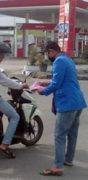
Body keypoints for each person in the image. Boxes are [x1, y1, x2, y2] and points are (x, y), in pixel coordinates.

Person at [38, 41, 86, 176]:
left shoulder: (58, 61)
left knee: (59, 135)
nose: (48, 56)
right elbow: (63, 80)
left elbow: (56, 83)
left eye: (48, 53)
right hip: (77, 102)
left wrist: (43, 91)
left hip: (67, 103)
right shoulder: (67, 59)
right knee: (72, 133)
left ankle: (57, 166)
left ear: (52, 51)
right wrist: (46, 84)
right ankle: (68, 159)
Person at [0, 41, 29, 159]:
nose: (3, 57)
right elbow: (5, 81)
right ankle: (4, 144)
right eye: (2, 55)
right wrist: (21, 86)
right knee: (15, 117)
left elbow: (3, 78)